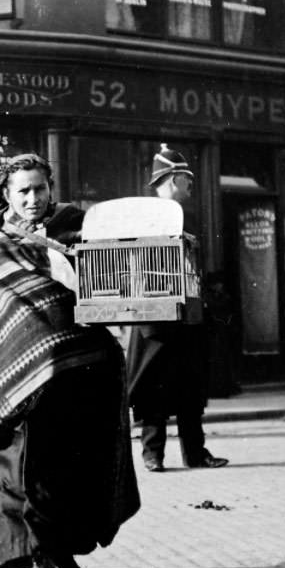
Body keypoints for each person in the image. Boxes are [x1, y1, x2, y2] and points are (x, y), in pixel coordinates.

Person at [0, 153, 140, 568]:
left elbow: (122, 271)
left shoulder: (79, 230)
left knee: (75, 468)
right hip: (27, 384)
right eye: (24, 191)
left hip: (85, 370)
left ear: (51, 188)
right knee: (26, 471)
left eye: (40, 189)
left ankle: (55, 555)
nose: (33, 199)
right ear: (7, 196)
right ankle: (43, 561)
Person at [125, 145, 228, 472]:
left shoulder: (187, 215)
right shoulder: (144, 215)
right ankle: (152, 455)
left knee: (191, 389)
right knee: (153, 390)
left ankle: (195, 454)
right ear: (172, 179)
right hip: (154, 317)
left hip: (188, 316)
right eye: (187, 179)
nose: (191, 185)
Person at [203, 272, 242, 398]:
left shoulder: (222, 297)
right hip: (214, 333)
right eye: (218, 284)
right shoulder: (209, 297)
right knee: (217, 361)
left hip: (222, 332)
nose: (220, 286)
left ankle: (225, 386)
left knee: (224, 361)